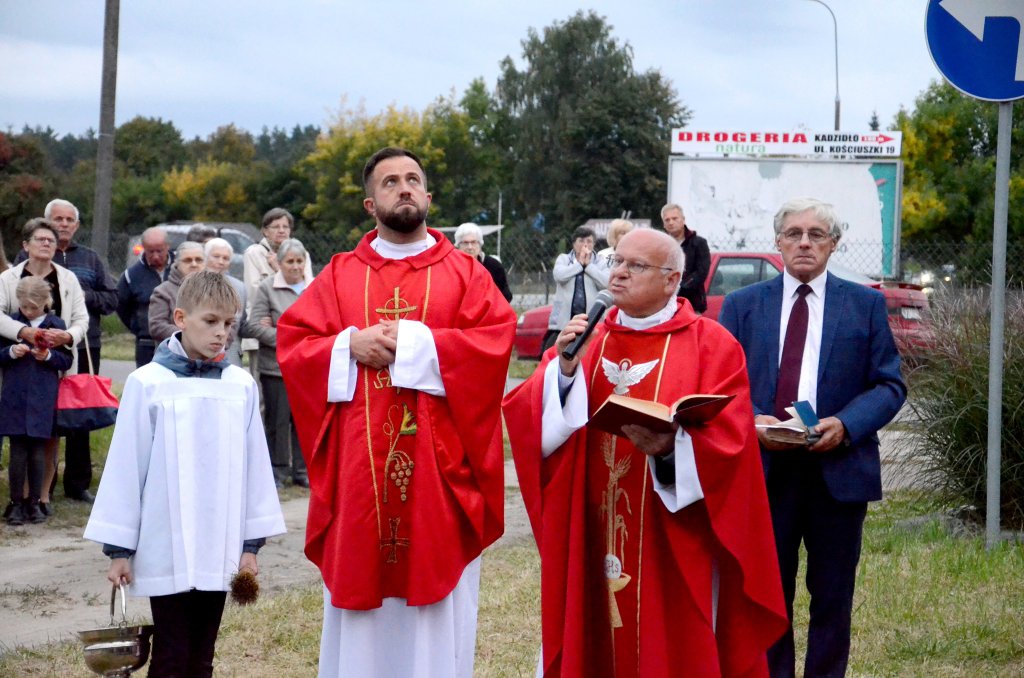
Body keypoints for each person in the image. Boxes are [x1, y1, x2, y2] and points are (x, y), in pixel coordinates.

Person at [276, 147, 516, 677]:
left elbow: (495, 345)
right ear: (370, 203)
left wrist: (414, 346)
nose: (403, 188)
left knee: (435, 607)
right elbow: (294, 344)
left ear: (428, 196)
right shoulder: (339, 276)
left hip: (438, 479)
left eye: (413, 179)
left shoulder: (467, 275)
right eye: (390, 182)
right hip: (358, 481)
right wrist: (347, 345)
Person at [503, 228, 787, 677]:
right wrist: (563, 371)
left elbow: (733, 446)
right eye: (616, 261)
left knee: (668, 647)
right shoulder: (588, 336)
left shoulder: (711, 345)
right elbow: (532, 421)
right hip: (593, 526)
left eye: (635, 266)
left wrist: (671, 450)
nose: (618, 273)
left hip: (672, 537)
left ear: (672, 280)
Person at [718, 198, 907, 678]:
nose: (805, 242)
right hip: (765, 473)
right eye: (794, 233)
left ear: (833, 244)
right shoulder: (743, 306)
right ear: (777, 242)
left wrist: (846, 424)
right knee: (766, 596)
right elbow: (721, 385)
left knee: (832, 597)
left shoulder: (864, 304)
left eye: (816, 234)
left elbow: (889, 385)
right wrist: (754, 423)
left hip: (838, 473)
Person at [83, 271, 286, 678]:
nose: (221, 334)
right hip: (165, 541)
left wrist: (250, 545)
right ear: (180, 318)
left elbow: (255, 469)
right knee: (172, 655)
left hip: (220, 541)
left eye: (229, 324)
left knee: (202, 655)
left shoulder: (240, 384)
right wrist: (119, 550)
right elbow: (127, 466)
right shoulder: (148, 383)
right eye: (210, 321)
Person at [13, 199, 119, 504]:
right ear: (45, 223)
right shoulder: (27, 258)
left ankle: (77, 482)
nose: (63, 224)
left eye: (69, 219)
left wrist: (78, 297)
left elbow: (111, 299)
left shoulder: (90, 259)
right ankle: (40, 484)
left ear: (77, 225)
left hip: (82, 343)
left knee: (77, 411)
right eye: (57, 219)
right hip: (33, 344)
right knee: (42, 413)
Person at [0, 218, 89, 516]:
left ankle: (42, 497)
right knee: (21, 435)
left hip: (56, 366)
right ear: (26, 245)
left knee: (50, 431)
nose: (47, 243)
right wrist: (21, 333)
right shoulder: (9, 279)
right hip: (16, 364)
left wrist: (67, 335)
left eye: (51, 240)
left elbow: (81, 319)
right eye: (40, 239)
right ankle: (20, 497)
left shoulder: (67, 279)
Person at [0, 277, 73, 525]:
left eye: (34, 307)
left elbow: (66, 361)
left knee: (39, 451)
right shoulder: (12, 324)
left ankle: (36, 501)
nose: (29, 311)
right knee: (18, 451)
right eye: (24, 306)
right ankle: (16, 502)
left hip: (43, 396)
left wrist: (49, 356)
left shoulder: (56, 325)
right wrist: (11, 352)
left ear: (46, 302)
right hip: (15, 395)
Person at [246, 238, 309, 488]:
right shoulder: (267, 287)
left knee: (304, 420)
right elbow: (254, 326)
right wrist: (294, 336)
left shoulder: (314, 288)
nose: (295, 266)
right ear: (279, 263)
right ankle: (278, 470)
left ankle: (302, 470)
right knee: (277, 421)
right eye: (290, 261)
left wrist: (280, 328)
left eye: (299, 261)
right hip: (276, 368)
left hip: (307, 368)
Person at [242, 208, 313, 375]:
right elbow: (254, 289)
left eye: (285, 227)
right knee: (261, 385)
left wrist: (277, 269)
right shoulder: (254, 253)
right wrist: (279, 273)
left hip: (300, 335)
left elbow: (308, 288)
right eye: (276, 227)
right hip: (265, 330)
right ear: (265, 231)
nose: (282, 230)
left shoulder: (303, 253)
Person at [545, 225, 609, 353]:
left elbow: (606, 283)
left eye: (589, 241)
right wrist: (579, 265)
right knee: (559, 352)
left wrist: (589, 267)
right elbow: (559, 276)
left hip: (591, 320)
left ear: (594, 244)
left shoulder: (600, 262)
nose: (585, 244)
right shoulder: (564, 259)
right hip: (564, 320)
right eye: (581, 241)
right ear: (574, 243)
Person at [117, 227, 170, 366]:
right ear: (143, 248)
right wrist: (139, 327)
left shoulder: (181, 268)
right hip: (146, 343)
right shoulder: (131, 275)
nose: (156, 256)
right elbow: (122, 306)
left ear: (167, 247)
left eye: (160, 251)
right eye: (151, 251)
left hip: (178, 341)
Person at [203, 237, 249, 367]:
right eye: (216, 256)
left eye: (226, 258)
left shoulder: (239, 287)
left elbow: (242, 324)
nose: (221, 262)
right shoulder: (192, 284)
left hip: (230, 355)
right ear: (205, 257)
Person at [148, 241, 205, 345]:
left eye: (199, 260)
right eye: (187, 260)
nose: (194, 264)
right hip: (172, 356)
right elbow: (157, 326)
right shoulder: (163, 292)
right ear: (177, 263)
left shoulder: (214, 290)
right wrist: (191, 337)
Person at [661, 203, 711, 314]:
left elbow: (701, 272)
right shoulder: (660, 245)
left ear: (683, 220)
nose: (671, 222)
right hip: (664, 305)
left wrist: (678, 288)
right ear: (663, 224)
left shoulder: (698, 243)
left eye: (674, 218)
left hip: (691, 304)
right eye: (667, 220)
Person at [454, 222, 513, 301]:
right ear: (458, 245)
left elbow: (505, 296)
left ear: (480, 244)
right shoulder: (452, 267)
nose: (470, 247)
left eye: (473, 242)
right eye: (465, 243)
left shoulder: (493, 266)